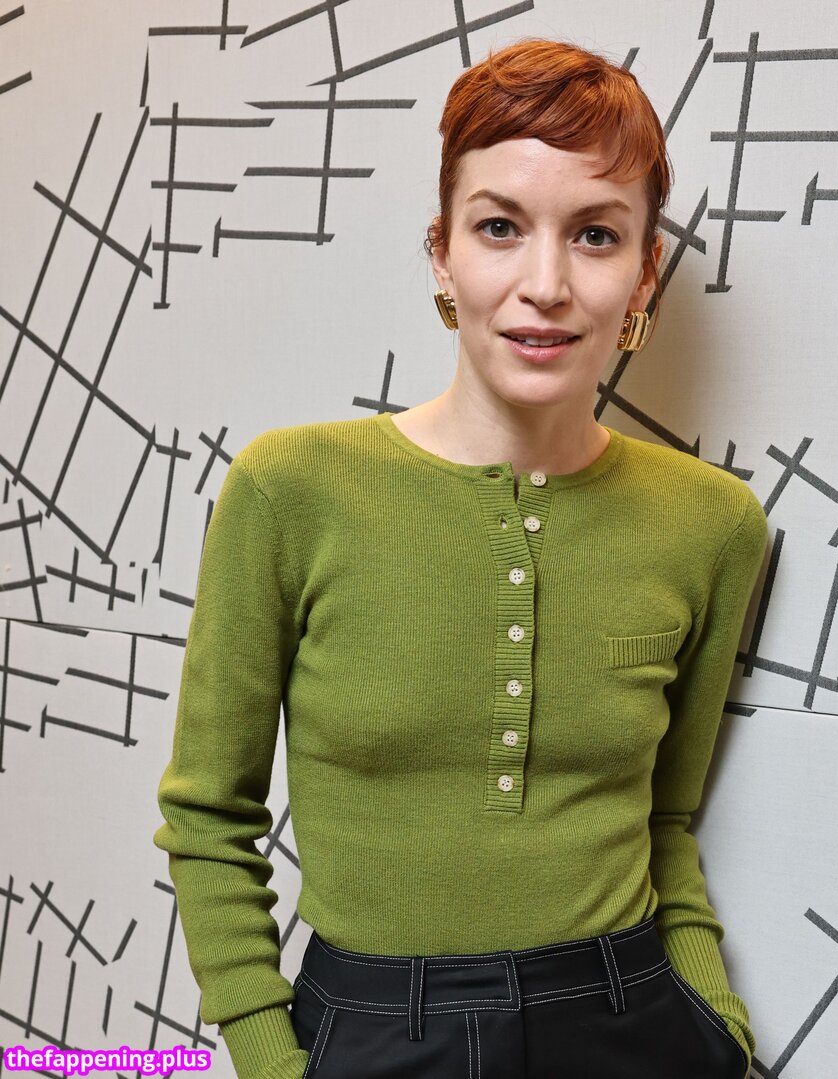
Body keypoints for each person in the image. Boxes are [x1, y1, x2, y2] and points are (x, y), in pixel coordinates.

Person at [154, 37, 768, 1079]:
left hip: (631, 1017)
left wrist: (717, 1030)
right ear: (442, 253)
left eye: (596, 234)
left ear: (643, 273)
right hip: (375, 1023)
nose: (546, 284)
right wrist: (268, 1054)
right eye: (499, 227)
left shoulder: (713, 523)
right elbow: (208, 813)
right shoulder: (288, 489)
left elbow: (667, 815)